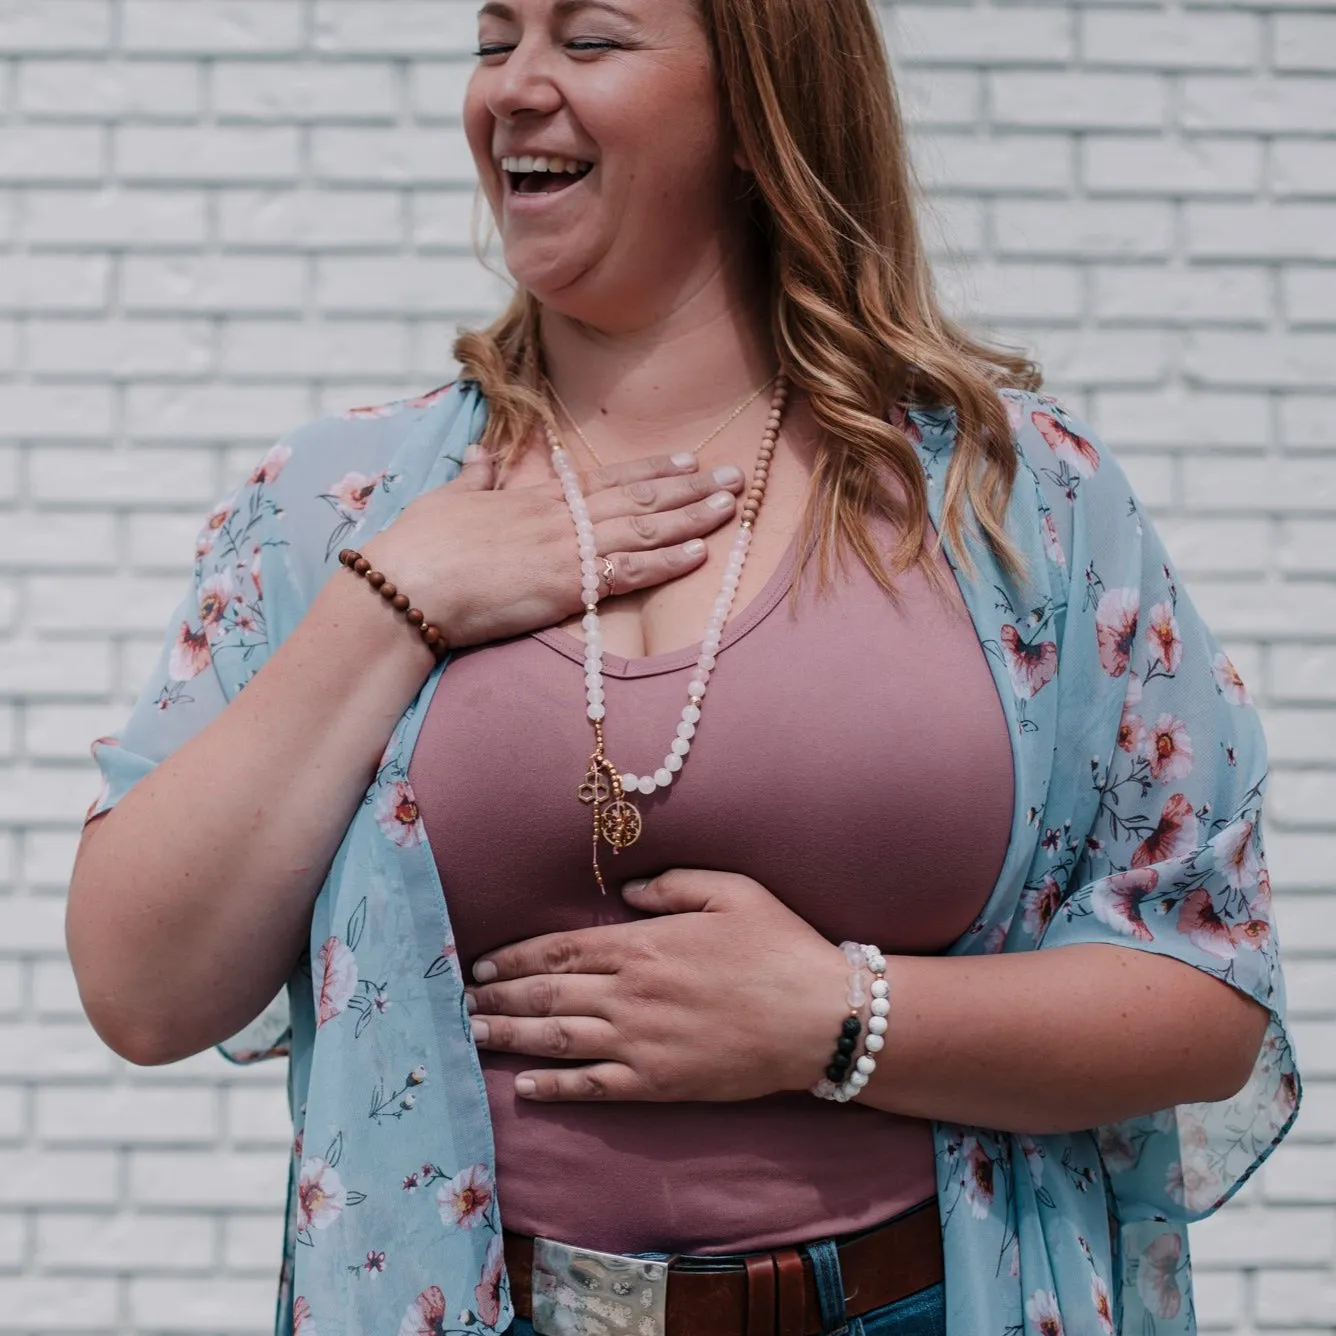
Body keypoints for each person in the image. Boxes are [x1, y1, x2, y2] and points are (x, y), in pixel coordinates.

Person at [67, 1, 1299, 1333]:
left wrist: (841, 1019)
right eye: (495, 42)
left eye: (587, 41)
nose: (515, 89)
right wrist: (393, 605)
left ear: (764, 112)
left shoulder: (1019, 506)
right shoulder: (342, 510)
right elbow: (142, 988)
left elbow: (1205, 990)